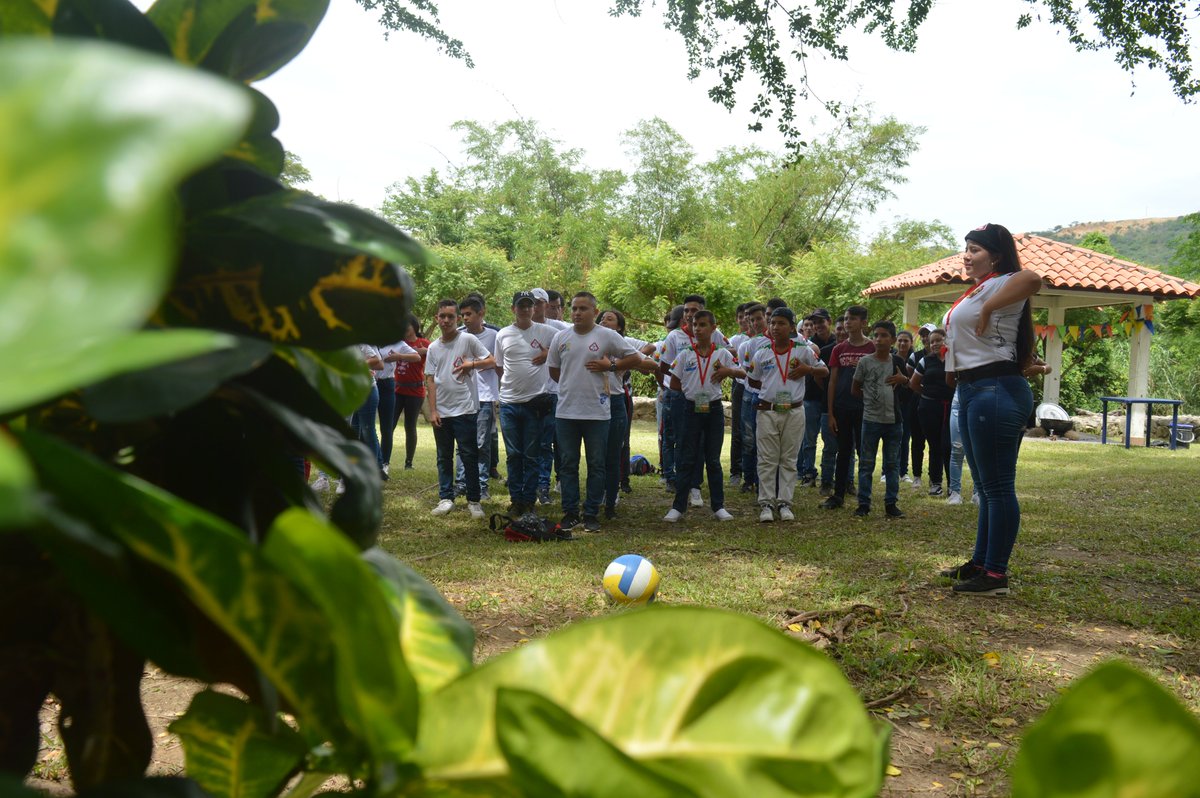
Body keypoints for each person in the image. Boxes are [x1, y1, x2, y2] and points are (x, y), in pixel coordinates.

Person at [939, 223, 1042, 596]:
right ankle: (981, 562)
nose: (967, 256)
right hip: (972, 389)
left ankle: (996, 575)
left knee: (997, 487)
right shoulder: (977, 289)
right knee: (983, 485)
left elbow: (1033, 278)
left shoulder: (1004, 283)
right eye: (965, 248)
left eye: (975, 250)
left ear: (995, 255)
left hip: (995, 388)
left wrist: (989, 308)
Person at [546, 292, 641, 533]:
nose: (577, 313)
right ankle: (570, 513)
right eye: (574, 308)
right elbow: (555, 371)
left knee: (597, 464)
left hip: (597, 413)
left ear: (594, 311)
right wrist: (572, 384)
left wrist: (610, 366)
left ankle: (591, 513)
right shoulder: (561, 337)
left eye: (583, 309)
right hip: (566, 412)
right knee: (567, 464)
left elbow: (635, 357)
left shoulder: (607, 335)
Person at [747, 307, 826, 522]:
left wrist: (806, 370)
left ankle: (784, 503)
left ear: (792, 327)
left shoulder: (802, 350)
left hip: (794, 410)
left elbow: (824, 370)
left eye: (781, 323)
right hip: (768, 411)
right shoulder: (762, 351)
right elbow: (753, 378)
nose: (775, 327)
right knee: (767, 458)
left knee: (789, 458)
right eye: (772, 323)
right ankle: (766, 503)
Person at [663, 310, 739, 522]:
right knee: (687, 458)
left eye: (703, 324)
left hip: (713, 410)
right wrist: (691, 393)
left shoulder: (722, 354)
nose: (697, 328)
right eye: (695, 324)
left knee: (713, 459)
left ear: (713, 328)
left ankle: (718, 506)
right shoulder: (686, 354)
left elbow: (743, 372)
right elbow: (675, 381)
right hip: (691, 409)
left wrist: (728, 371)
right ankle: (678, 507)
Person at [425, 299, 495, 519]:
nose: (446, 320)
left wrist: (471, 365)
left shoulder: (468, 339)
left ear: (457, 319)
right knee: (443, 456)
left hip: (465, 409)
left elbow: (491, 360)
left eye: (451, 316)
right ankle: (446, 498)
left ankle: (474, 501)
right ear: (436, 319)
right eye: (442, 316)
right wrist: (433, 410)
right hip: (442, 411)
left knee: (469, 455)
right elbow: (430, 380)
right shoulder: (433, 347)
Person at [494, 291, 558, 516]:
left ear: (535, 308)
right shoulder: (502, 334)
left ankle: (529, 501)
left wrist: (549, 353)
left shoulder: (547, 331)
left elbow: (569, 345)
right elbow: (499, 366)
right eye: (520, 306)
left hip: (535, 402)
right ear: (513, 309)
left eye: (529, 306)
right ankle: (516, 500)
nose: (525, 309)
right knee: (513, 454)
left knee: (532, 455)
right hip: (509, 402)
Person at [598, 309, 656, 518]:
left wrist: (618, 366)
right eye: (601, 318)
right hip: (590, 401)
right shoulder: (587, 339)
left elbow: (650, 364)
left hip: (615, 400)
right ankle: (597, 495)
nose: (604, 321)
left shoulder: (622, 345)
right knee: (596, 454)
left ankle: (611, 497)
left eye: (610, 319)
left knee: (615, 450)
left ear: (619, 327)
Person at [851, 321, 908, 518]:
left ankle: (891, 504)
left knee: (892, 464)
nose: (879, 339)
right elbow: (855, 388)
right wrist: (871, 401)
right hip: (871, 420)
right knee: (866, 463)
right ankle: (863, 503)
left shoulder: (898, 362)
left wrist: (903, 380)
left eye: (884, 335)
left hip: (894, 421)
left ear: (892, 340)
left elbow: (908, 385)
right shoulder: (865, 362)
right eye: (876, 335)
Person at [821, 306, 874, 510]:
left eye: (852, 319)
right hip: (842, 408)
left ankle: (864, 497)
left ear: (863, 322)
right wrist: (831, 413)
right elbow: (832, 381)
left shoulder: (872, 348)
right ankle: (838, 495)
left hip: (865, 408)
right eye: (845, 319)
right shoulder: (839, 349)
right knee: (842, 451)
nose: (847, 322)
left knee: (864, 452)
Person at [455, 296, 499, 502]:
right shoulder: (457, 336)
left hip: (485, 395)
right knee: (462, 442)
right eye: (462, 315)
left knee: (482, 443)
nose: (464, 319)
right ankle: (461, 483)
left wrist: (472, 364)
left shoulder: (494, 336)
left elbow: (496, 362)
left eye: (469, 314)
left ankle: (481, 486)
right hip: (462, 396)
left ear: (481, 314)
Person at [532, 288, 571, 504]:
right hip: (528, 394)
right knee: (532, 443)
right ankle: (531, 485)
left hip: (553, 392)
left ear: (547, 305)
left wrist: (551, 353)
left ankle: (545, 485)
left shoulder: (558, 329)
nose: (534, 307)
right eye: (531, 303)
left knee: (551, 442)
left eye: (539, 303)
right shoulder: (519, 329)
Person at [910, 328, 953, 496]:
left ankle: (952, 484)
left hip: (950, 407)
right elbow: (913, 384)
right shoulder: (925, 361)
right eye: (932, 341)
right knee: (935, 445)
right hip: (928, 408)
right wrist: (927, 394)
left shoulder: (953, 359)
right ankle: (935, 483)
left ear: (946, 341)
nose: (934, 344)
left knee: (949, 445)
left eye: (938, 340)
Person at [800, 308, 836, 487]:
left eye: (821, 321)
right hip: (811, 396)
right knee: (809, 438)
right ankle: (809, 473)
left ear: (829, 321)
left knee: (831, 441)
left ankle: (829, 474)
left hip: (833, 400)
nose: (818, 326)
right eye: (814, 323)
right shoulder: (806, 344)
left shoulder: (838, 343)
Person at [735, 303, 769, 492]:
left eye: (758, 319)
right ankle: (748, 479)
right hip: (750, 394)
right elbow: (746, 371)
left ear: (766, 318)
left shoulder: (775, 342)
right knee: (748, 438)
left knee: (765, 440)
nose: (755, 323)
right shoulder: (746, 345)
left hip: (769, 396)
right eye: (751, 319)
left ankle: (762, 480)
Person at [378, 338, 420, 477]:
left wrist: (399, 357)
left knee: (387, 427)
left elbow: (416, 356)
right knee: (364, 426)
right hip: (368, 383)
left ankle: (384, 464)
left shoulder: (398, 343)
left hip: (387, 384)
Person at [394, 314, 429, 470]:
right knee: (390, 424)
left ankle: (409, 462)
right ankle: (382, 459)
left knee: (410, 426)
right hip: (397, 389)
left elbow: (437, 351)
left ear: (414, 326)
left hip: (415, 391)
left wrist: (423, 350)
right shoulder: (397, 343)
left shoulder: (423, 343)